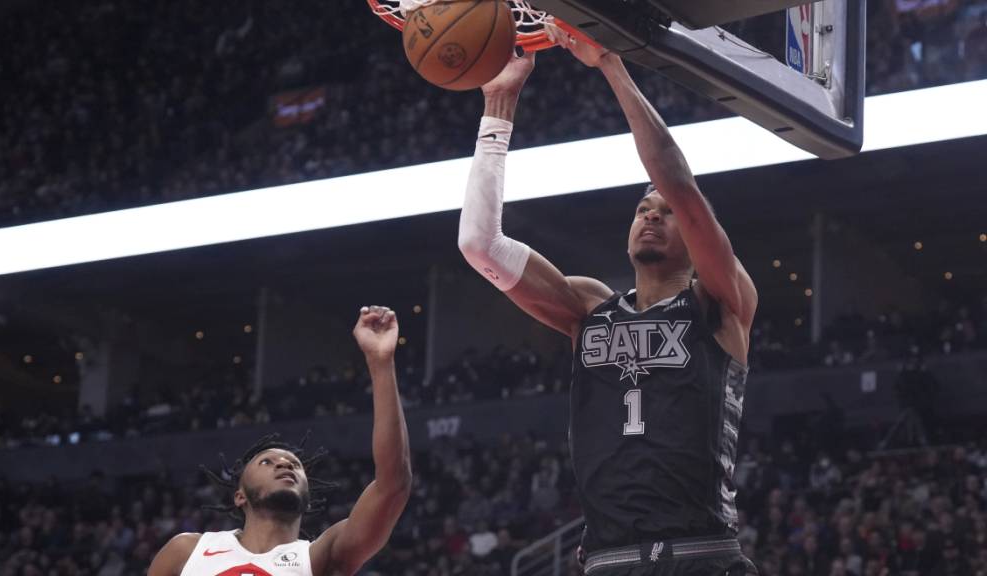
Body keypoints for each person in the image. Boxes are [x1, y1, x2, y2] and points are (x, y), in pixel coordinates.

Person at [457, 32, 758, 575]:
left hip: (701, 554)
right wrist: (498, 108)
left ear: (697, 234)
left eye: (666, 213)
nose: (651, 215)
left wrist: (611, 66)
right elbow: (480, 245)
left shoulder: (721, 300)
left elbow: (678, 182)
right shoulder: (588, 309)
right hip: (609, 559)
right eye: (643, 209)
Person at [148, 306, 412, 576]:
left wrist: (381, 363)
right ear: (240, 496)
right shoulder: (186, 551)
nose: (284, 464)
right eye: (266, 461)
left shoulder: (320, 557)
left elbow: (393, 485)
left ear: (307, 499)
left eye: (295, 465)